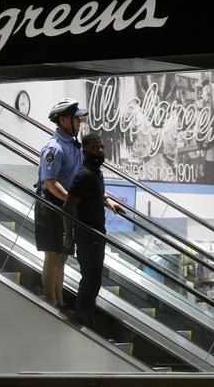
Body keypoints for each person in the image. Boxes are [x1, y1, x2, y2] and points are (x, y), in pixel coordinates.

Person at [62, 133, 125, 327]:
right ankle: (82, 314)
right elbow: (68, 206)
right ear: (85, 150)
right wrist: (68, 234)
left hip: (98, 233)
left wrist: (108, 202)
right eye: (95, 148)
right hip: (86, 236)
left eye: (101, 147)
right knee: (89, 277)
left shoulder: (96, 172)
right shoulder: (83, 175)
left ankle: (88, 313)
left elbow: (99, 192)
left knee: (95, 277)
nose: (99, 151)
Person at [36, 98, 88, 308]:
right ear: (64, 119)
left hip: (66, 205)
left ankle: (59, 301)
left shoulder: (75, 146)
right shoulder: (54, 148)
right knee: (53, 254)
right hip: (52, 204)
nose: (80, 122)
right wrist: (70, 201)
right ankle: (51, 303)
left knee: (63, 255)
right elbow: (50, 183)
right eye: (77, 118)